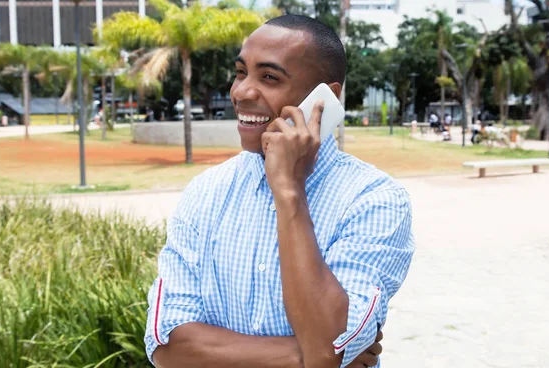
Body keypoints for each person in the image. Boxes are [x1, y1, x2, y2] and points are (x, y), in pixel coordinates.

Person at [144, 15, 414, 368]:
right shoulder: (205, 192)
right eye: (241, 72)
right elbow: (167, 345)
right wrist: (301, 356)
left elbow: (327, 345)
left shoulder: (374, 200)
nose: (241, 92)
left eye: (269, 77)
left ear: (325, 99)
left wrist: (288, 190)